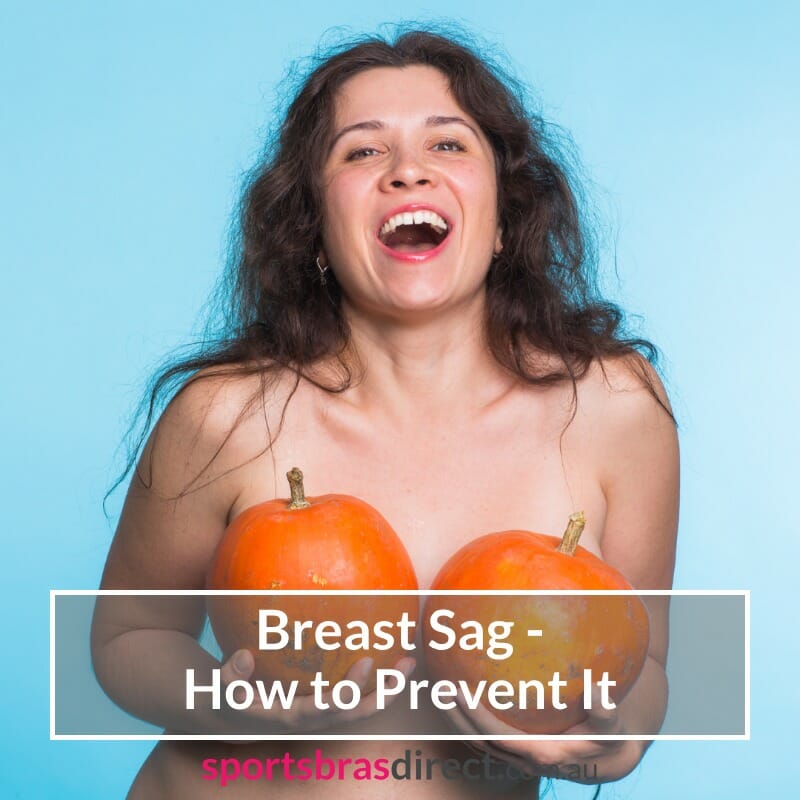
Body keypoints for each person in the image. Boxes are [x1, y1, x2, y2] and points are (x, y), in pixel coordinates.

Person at [91, 27, 679, 799]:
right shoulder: (222, 415)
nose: (407, 171)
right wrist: (241, 709)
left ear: (504, 220)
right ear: (315, 236)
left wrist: (609, 742)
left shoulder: (614, 409)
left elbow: (644, 669)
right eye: (362, 152)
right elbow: (128, 637)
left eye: (449, 145)